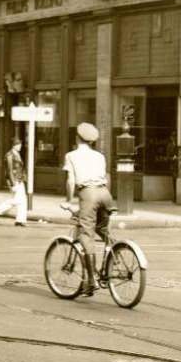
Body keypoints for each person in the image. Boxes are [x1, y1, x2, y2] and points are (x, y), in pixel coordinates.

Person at [63, 122, 115, 296]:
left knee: (86, 237)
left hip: (88, 194)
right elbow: (106, 178)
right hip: (105, 194)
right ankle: (113, 254)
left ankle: (91, 282)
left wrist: (68, 201)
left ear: (77, 137)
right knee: (102, 229)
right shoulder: (100, 156)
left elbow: (71, 181)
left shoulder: (71, 155)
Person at [0, 137, 27, 226]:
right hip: (15, 180)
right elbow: (9, 170)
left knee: (22, 200)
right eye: (18, 145)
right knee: (17, 200)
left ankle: (20, 220)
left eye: (20, 144)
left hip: (20, 179)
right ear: (14, 145)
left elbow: (20, 167)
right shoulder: (9, 155)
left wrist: (23, 178)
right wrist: (12, 183)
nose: (20, 146)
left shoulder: (17, 154)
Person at [166, 131, 178, 199]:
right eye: (173, 136)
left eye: (175, 136)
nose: (174, 138)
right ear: (171, 137)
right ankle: (175, 196)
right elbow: (167, 157)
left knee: (176, 180)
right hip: (173, 166)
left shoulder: (178, 145)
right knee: (174, 180)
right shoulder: (169, 145)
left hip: (178, 165)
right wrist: (172, 158)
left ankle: (176, 196)